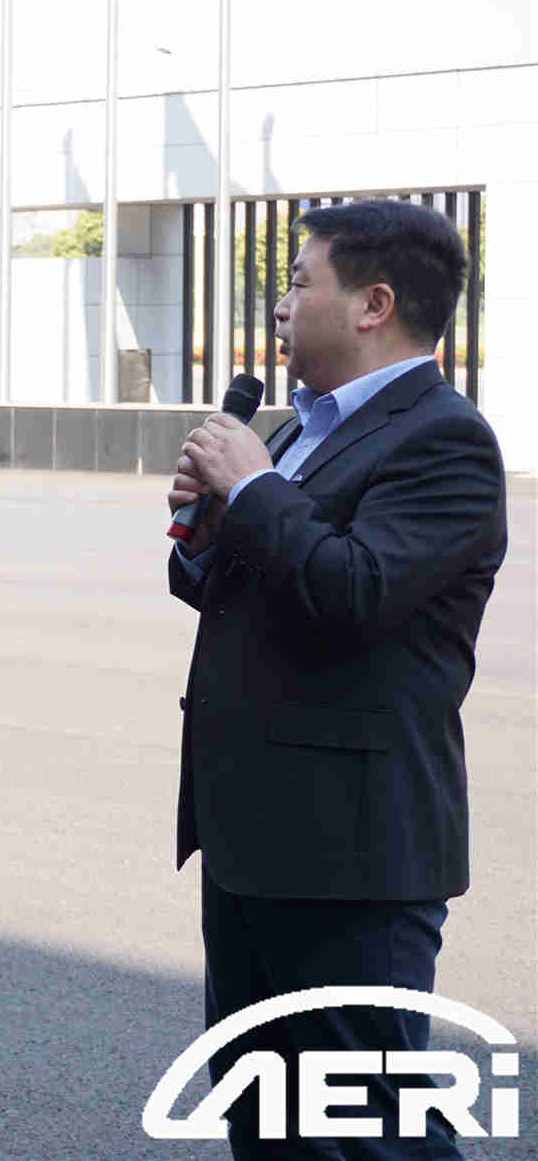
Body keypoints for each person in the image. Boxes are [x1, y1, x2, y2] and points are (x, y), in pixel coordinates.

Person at [167, 198, 507, 1157]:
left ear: (374, 304)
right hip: (252, 843)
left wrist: (254, 490)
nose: (280, 305)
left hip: (352, 856)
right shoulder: (295, 429)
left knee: (368, 1131)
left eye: (299, 282)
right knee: (266, 1119)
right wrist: (206, 532)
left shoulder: (445, 439)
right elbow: (247, 583)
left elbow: (356, 590)